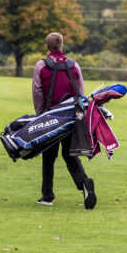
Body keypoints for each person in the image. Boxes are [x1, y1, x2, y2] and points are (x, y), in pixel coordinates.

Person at [31, 32, 96, 209]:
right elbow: (80, 91)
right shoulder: (73, 65)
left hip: (50, 116)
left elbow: (37, 92)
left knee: (49, 157)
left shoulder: (41, 65)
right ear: (62, 46)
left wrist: (40, 115)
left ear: (46, 47)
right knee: (70, 155)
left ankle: (47, 196)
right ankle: (84, 182)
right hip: (71, 117)